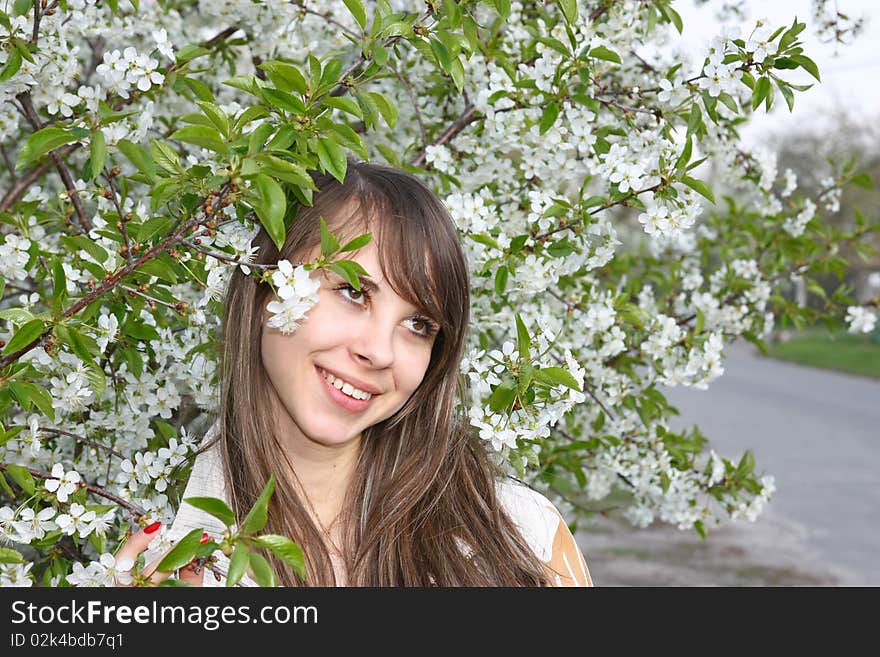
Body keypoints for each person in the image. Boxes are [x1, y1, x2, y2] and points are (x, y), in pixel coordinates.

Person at [120, 160, 593, 587]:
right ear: (267, 286)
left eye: (418, 325)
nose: (379, 351)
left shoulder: (521, 538)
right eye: (351, 291)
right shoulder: (159, 560)